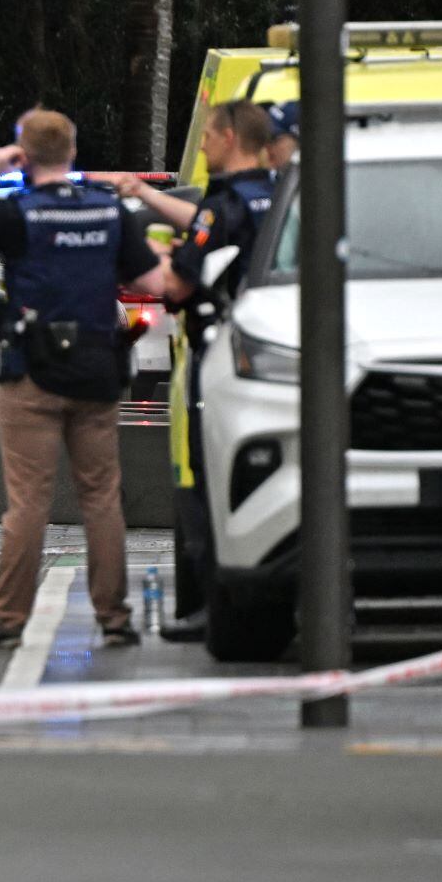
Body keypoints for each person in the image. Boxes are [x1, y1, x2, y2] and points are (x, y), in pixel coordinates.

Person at [0, 108, 159, 654]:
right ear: (73, 153)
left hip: (30, 372)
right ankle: (115, 617)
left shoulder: (16, 212)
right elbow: (150, 278)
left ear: (24, 156)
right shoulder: (108, 212)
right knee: (101, 497)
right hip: (96, 371)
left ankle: (7, 620)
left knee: (28, 501)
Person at [117, 98, 281, 640]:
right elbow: (214, 225)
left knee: (211, 481)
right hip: (277, 360)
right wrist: (146, 195)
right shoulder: (281, 195)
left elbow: (177, 285)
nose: (204, 145)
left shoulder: (223, 204)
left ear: (231, 137)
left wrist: (142, 257)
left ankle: (217, 607)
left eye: (209, 135)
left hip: (222, 359)